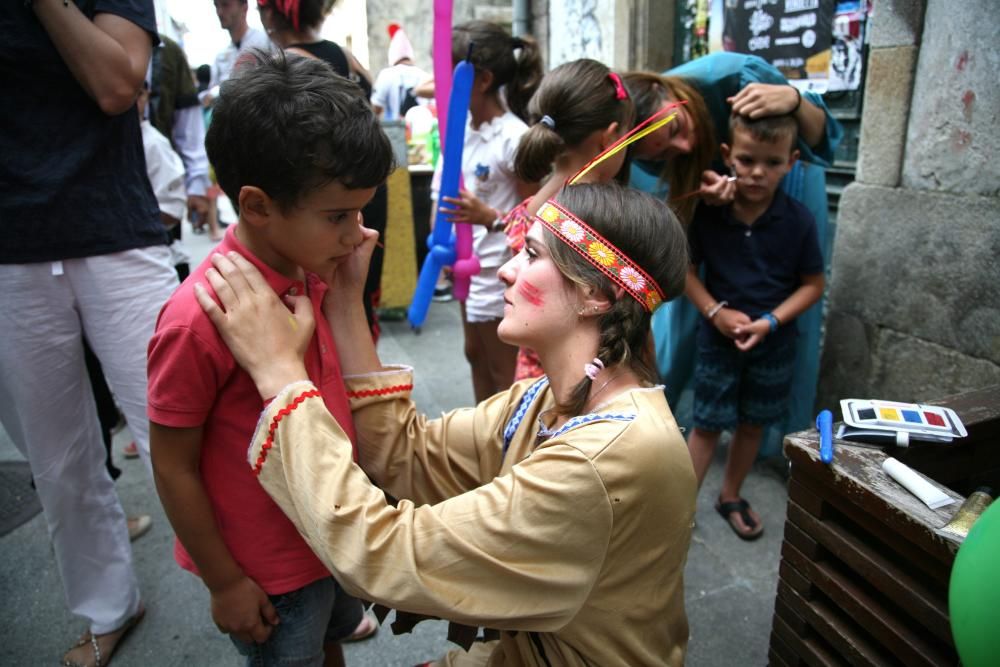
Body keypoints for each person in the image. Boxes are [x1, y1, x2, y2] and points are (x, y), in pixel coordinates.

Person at [194, 181, 696, 666]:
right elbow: (404, 455)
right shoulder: (544, 399)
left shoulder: (602, 460)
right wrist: (347, 300)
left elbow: (383, 554)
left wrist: (280, 374)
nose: (505, 270)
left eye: (533, 255)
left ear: (598, 297)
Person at [147, 52, 391, 666]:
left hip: (327, 532)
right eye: (338, 216)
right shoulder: (200, 319)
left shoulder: (313, 266)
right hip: (269, 569)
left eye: (360, 211)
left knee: (330, 640)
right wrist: (225, 581)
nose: (354, 233)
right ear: (256, 206)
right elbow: (173, 464)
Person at [0, 1, 180, 665]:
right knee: (58, 459)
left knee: (185, 422)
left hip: (113, 227)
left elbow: (116, 83)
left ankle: (276, 586)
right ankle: (109, 604)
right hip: (10, 241)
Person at [623, 53, 843, 457]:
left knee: (783, 306)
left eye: (676, 129)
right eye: (662, 153)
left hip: (780, 201)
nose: (685, 146)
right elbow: (671, 221)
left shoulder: (735, 76)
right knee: (685, 324)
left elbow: (819, 140)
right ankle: (663, 428)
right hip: (712, 227)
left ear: (664, 90)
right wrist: (696, 193)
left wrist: (794, 101)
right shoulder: (643, 149)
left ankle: (769, 447)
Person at [685, 113, 824, 539]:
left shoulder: (798, 219)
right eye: (746, 160)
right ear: (727, 155)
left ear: (792, 162)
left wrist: (769, 322)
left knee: (752, 424)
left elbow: (814, 284)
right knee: (705, 424)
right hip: (717, 339)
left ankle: (730, 495)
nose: (757, 172)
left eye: (772, 162)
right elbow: (686, 271)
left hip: (774, 344)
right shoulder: (709, 215)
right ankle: (676, 507)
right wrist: (714, 313)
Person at [258, 0, 388, 341]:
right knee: (354, 281)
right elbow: (372, 106)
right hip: (360, 184)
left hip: (324, 190)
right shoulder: (344, 55)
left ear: (270, 14)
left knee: (330, 287)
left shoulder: (284, 66)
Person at [504, 58, 635, 379]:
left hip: (534, 375)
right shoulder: (602, 222)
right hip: (588, 380)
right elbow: (632, 314)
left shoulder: (529, 209)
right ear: (610, 137)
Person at [436, 20, 544, 402]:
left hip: (501, 274)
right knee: (474, 355)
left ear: (480, 80)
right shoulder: (461, 131)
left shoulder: (513, 139)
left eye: (445, 72)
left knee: (505, 373)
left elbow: (536, 218)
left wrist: (491, 218)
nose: (439, 81)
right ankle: (483, 448)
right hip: (468, 268)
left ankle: (509, 452)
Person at [201, 0, 272, 106]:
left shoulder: (267, 42)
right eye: (216, 6)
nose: (219, 12)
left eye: (225, 5)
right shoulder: (220, 56)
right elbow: (212, 94)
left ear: (244, 7)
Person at [371, 22, 429, 120]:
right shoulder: (425, 76)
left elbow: (375, 109)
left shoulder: (386, 75)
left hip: (394, 132)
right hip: (420, 133)